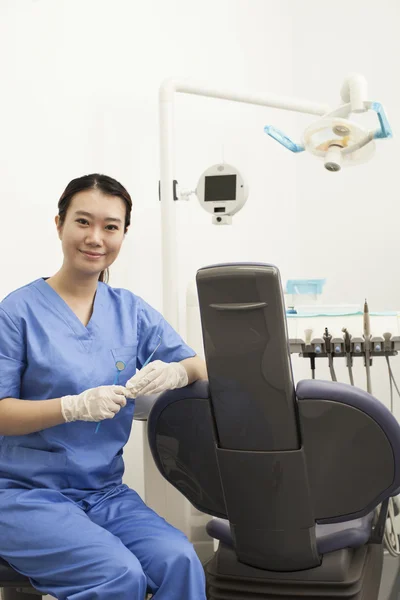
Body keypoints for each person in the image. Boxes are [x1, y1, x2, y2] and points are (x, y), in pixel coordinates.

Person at [0, 174, 208, 599]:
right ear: (59, 224)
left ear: (123, 234)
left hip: (104, 492)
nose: (96, 238)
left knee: (180, 560)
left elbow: (199, 363)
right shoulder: (17, 312)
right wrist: (70, 407)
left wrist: (178, 373)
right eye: (83, 222)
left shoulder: (128, 310)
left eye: (111, 227)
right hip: (23, 494)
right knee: (118, 575)